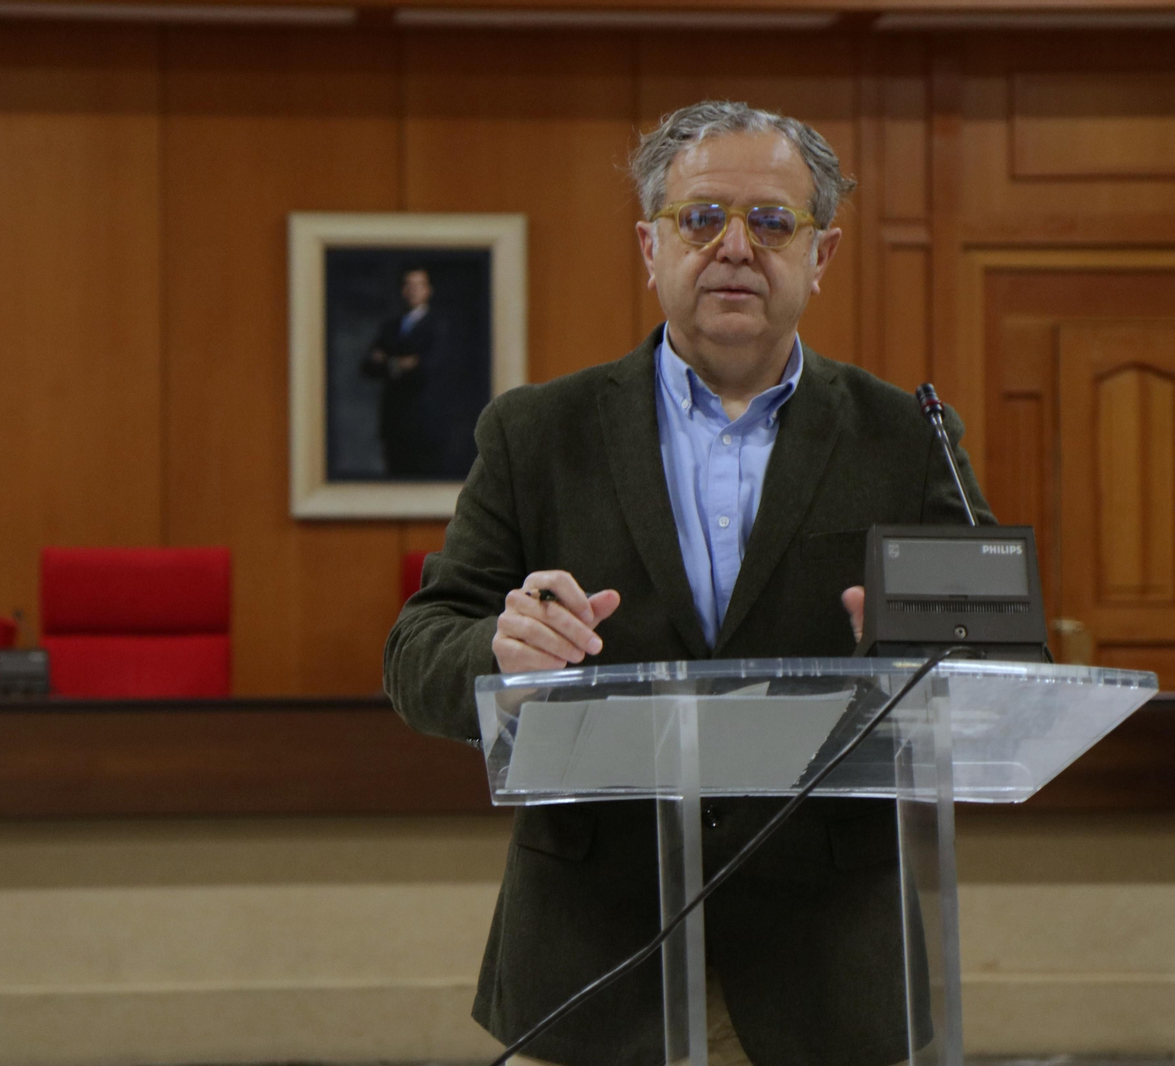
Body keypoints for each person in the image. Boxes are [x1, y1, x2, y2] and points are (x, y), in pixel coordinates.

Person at [384, 101, 993, 1066]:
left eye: (773, 222)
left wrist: (932, 646)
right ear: (650, 245)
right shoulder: (536, 433)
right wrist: (499, 651)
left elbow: (1008, 649)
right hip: (594, 959)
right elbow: (418, 650)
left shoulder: (906, 437)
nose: (735, 248)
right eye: (702, 219)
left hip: (827, 967)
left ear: (822, 254)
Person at [361, 266, 446, 477]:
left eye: (419, 285)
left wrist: (387, 360)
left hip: (423, 422)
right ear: (402, 291)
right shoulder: (390, 326)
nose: (414, 290)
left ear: (429, 290)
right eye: (409, 285)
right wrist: (402, 362)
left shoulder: (438, 326)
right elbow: (367, 367)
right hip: (393, 421)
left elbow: (426, 368)